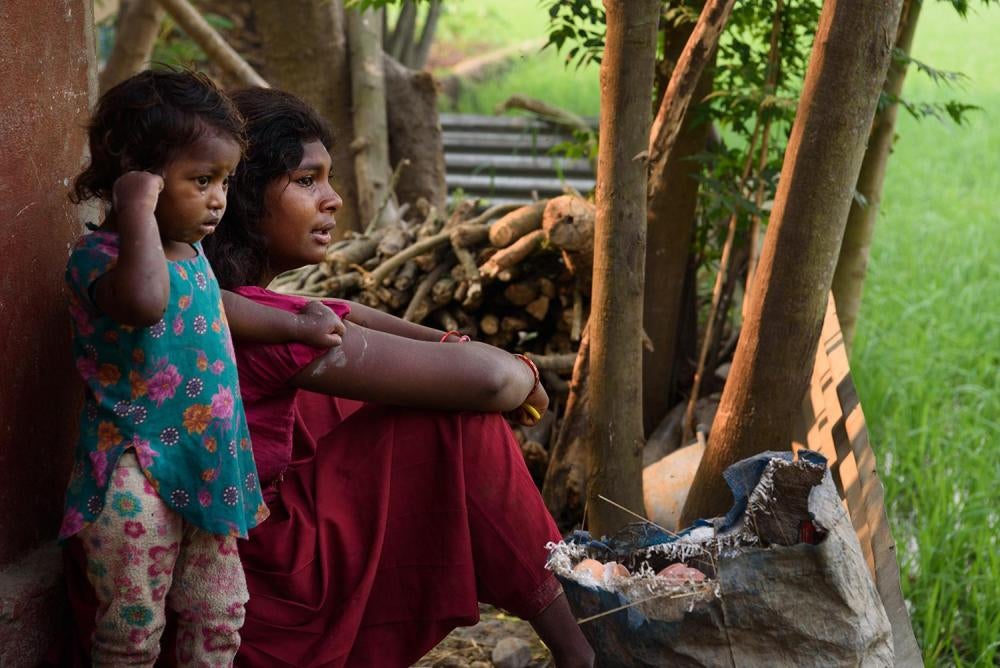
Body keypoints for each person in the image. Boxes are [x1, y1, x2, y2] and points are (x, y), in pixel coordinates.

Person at [201, 87, 595, 667]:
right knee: (459, 422)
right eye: (307, 181)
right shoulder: (265, 329)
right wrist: (523, 369)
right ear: (241, 195)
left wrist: (453, 346)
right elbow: (490, 384)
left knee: (335, 407)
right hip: (264, 600)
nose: (333, 200)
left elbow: (344, 310)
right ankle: (582, 653)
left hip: (244, 569)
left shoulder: (219, 300)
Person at [60, 70, 344, 666]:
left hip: (208, 465)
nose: (219, 197)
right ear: (139, 178)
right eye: (201, 180)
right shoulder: (100, 258)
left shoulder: (190, 254)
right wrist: (135, 204)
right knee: (133, 632)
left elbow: (217, 308)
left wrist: (297, 325)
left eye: (224, 180)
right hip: (134, 480)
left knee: (218, 616)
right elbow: (146, 302)